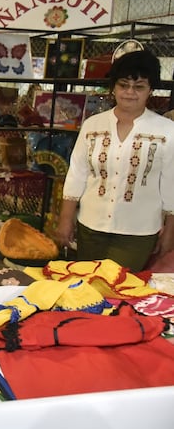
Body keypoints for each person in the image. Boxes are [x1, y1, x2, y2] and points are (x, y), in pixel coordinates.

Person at [56, 49, 174, 271]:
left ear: (151, 90)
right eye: (123, 85)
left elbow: (171, 185)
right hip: (90, 225)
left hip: (138, 232)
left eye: (139, 87)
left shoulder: (167, 131)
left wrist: (170, 231)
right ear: (113, 87)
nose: (130, 92)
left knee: (119, 285)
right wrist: (66, 218)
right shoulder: (93, 125)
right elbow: (77, 174)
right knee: (86, 283)